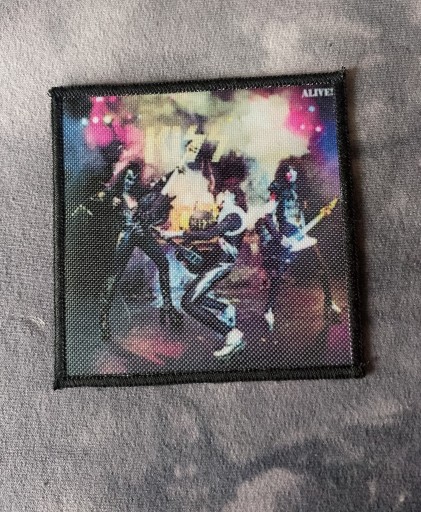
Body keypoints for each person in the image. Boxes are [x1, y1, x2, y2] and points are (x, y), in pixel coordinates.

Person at [100, 163, 184, 341]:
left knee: (163, 263)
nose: (131, 181)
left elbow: (162, 184)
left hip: (141, 233)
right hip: (127, 235)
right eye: (128, 177)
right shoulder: (116, 194)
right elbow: (106, 212)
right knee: (115, 275)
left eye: (134, 177)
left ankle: (168, 307)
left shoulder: (139, 191)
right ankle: (104, 318)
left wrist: (175, 171)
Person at [160, 189, 247, 359]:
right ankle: (224, 308)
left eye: (221, 194)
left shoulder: (234, 216)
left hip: (220, 266)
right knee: (195, 297)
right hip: (217, 264)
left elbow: (208, 234)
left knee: (188, 302)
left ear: (230, 195)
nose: (217, 198)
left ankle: (231, 334)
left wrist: (175, 233)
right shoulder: (229, 214)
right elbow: (207, 233)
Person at [257, 164, 341, 331]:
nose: (291, 173)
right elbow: (266, 216)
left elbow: (300, 214)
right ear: (284, 173)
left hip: (302, 236)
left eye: (293, 170)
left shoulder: (299, 189)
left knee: (322, 268)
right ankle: (268, 310)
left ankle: (329, 303)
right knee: (278, 276)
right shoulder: (277, 189)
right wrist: (279, 237)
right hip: (287, 238)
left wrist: (322, 212)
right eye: (288, 170)